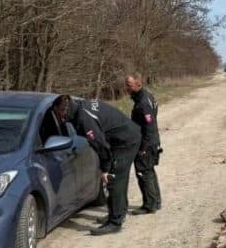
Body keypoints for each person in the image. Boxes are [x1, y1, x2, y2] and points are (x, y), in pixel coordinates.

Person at [54, 94, 141, 235]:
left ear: (65, 110)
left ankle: (115, 222)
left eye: (60, 114)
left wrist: (105, 169)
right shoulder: (81, 105)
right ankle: (118, 211)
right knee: (118, 178)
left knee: (114, 179)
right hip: (123, 136)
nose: (61, 118)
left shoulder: (84, 119)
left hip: (126, 141)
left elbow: (101, 145)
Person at [124, 73, 162, 215]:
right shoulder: (144, 97)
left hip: (147, 143)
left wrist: (143, 148)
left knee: (144, 173)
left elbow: (149, 127)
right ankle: (156, 202)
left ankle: (149, 205)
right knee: (149, 171)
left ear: (138, 84)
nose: (126, 88)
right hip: (150, 142)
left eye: (129, 85)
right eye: (126, 84)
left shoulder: (143, 102)